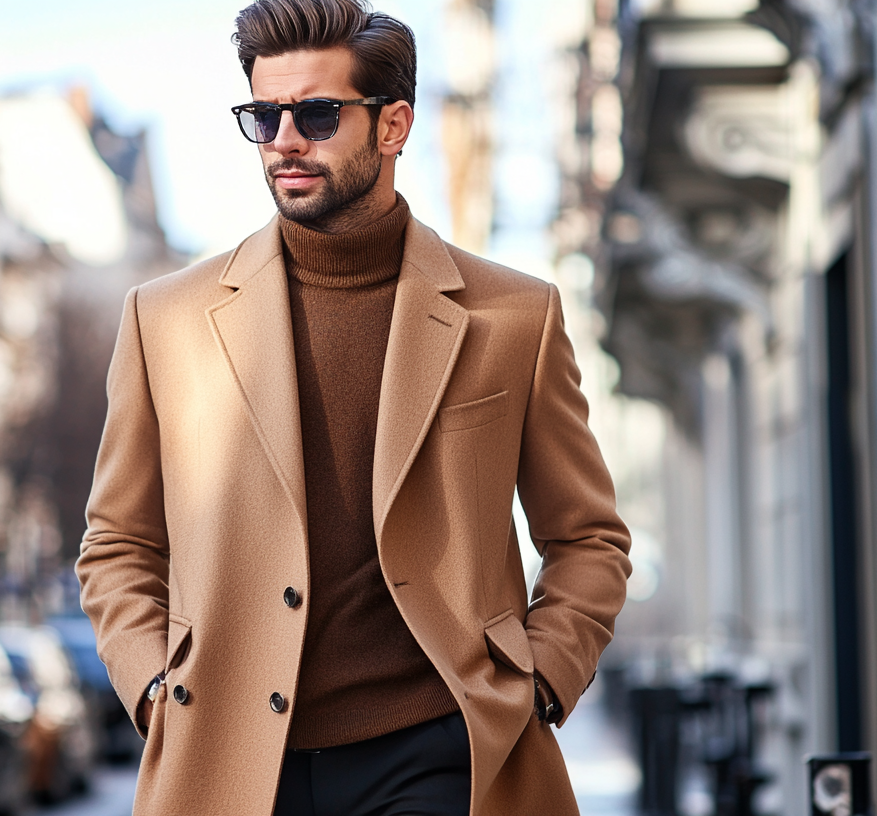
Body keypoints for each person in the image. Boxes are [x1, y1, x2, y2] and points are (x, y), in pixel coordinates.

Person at [75, 0, 631, 813]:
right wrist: (154, 684)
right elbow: (118, 542)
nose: (286, 140)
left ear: (393, 125)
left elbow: (588, 538)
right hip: (230, 760)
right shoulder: (164, 320)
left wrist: (539, 680)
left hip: (439, 748)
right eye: (264, 117)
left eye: (318, 114)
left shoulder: (515, 315)